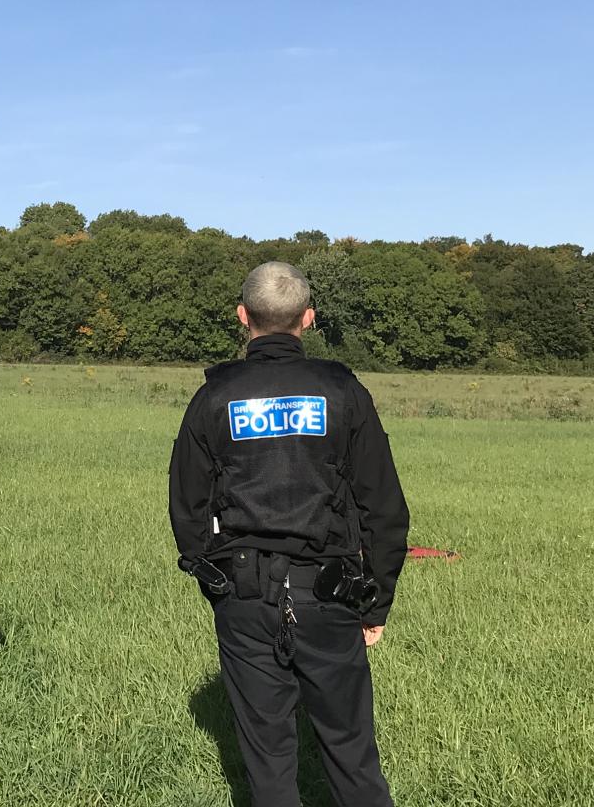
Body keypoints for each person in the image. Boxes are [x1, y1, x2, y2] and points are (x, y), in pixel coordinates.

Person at [168, 261, 410, 807]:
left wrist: (215, 582)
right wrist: (377, 602)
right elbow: (385, 509)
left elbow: (186, 506)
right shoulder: (343, 393)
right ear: (309, 317)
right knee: (351, 752)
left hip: (244, 597)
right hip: (332, 595)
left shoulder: (214, 398)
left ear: (241, 317)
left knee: (268, 763)